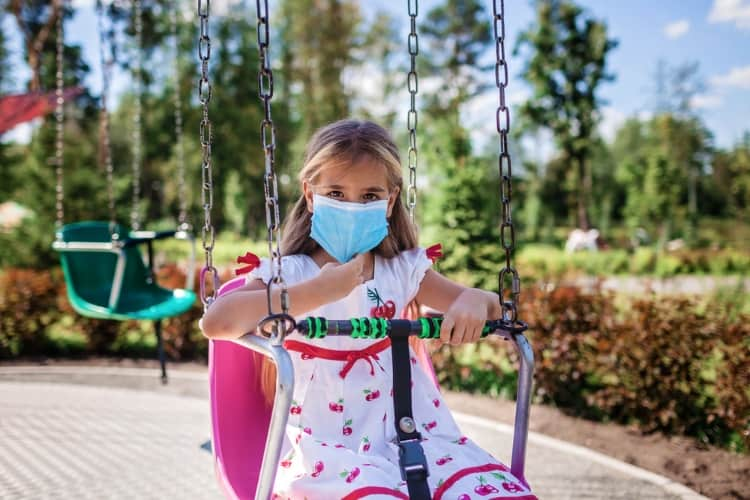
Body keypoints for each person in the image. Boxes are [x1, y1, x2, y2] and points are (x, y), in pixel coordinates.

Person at [201, 119, 536, 499]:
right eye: (337, 193)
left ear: (390, 201)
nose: (352, 207)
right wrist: (316, 291)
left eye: (369, 196)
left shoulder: (403, 271)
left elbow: (482, 303)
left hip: (415, 437)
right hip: (329, 450)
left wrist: (475, 302)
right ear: (310, 196)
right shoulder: (289, 273)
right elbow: (217, 322)